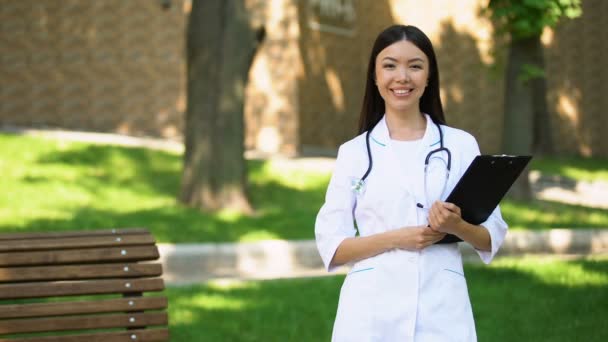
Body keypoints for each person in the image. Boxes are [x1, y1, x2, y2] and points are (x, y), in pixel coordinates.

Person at [315, 25, 508, 341]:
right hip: (369, 315)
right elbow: (332, 247)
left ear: (429, 76)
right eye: (389, 65)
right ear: (375, 76)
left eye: (415, 66)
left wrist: (457, 226)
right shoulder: (353, 153)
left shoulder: (460, 146)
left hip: (441, 311)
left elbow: (490, 237)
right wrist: (396, 239)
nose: (402, 77)